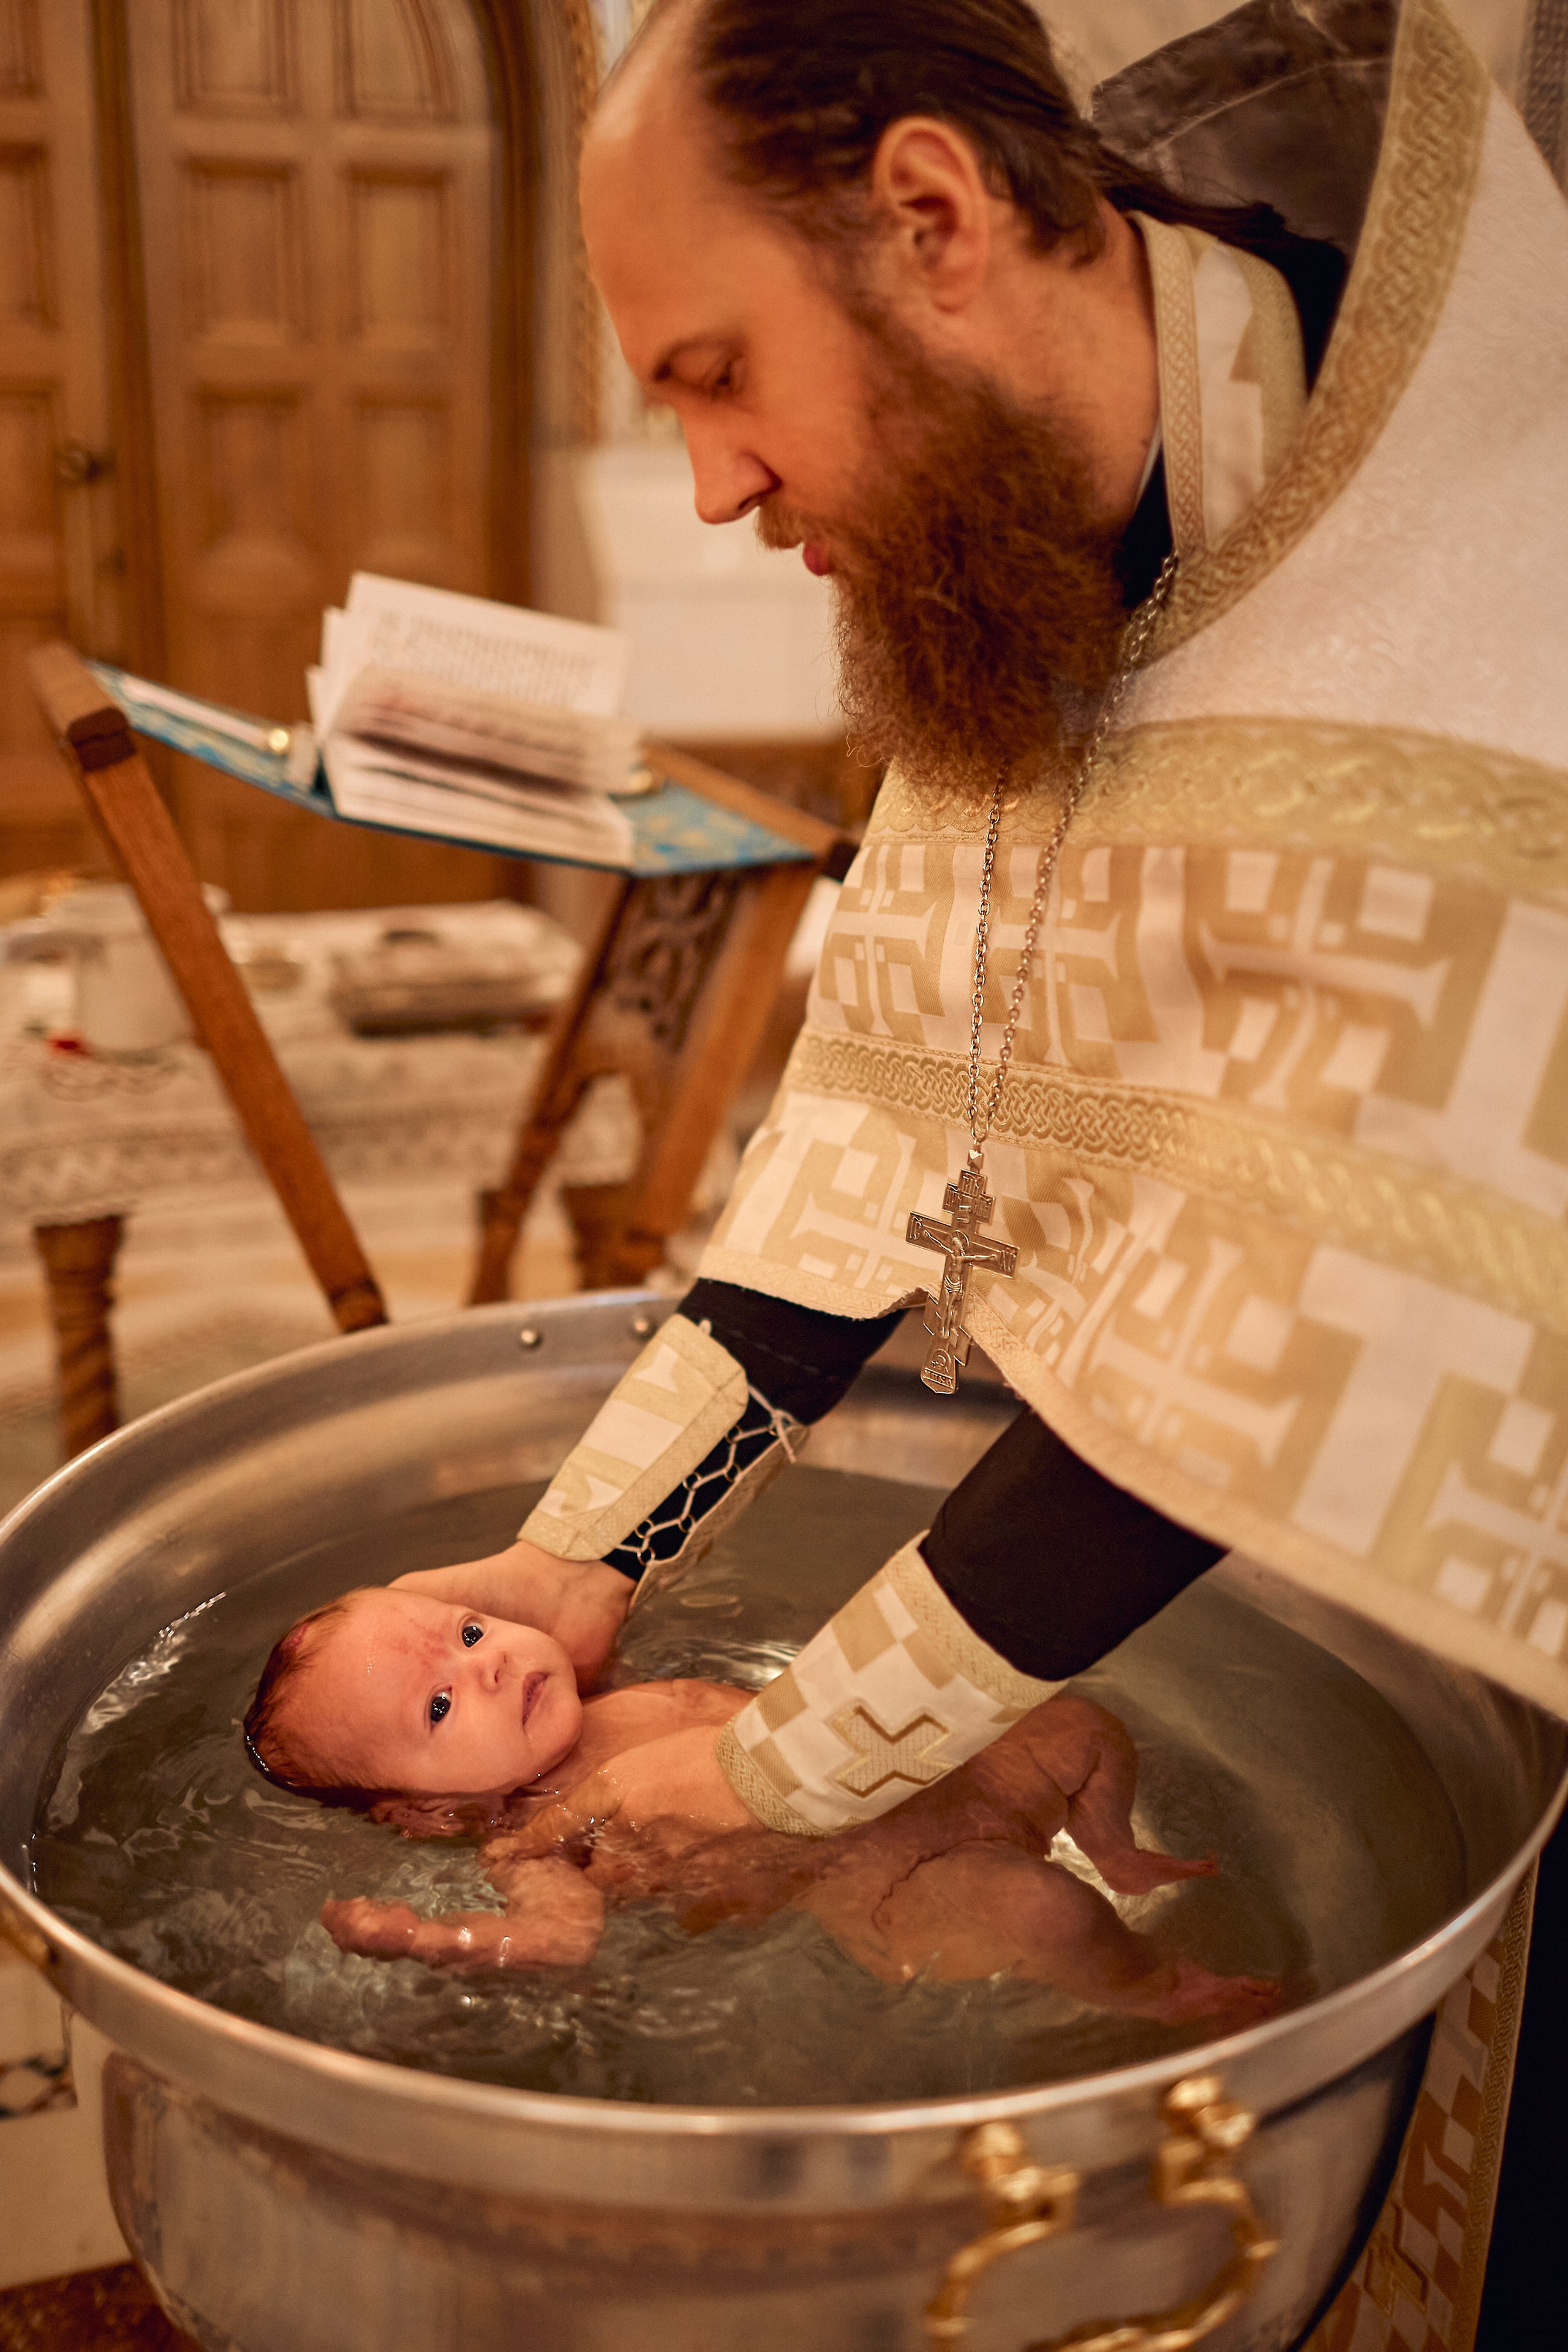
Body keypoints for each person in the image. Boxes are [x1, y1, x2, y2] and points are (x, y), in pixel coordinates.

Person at [312, 0, 1568, 1852]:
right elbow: (873, 1139)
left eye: (721, 371)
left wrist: (776, 1770)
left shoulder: (1475, 620)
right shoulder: (1025, 565)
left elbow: (1286, 1345)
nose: (712, 483)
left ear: (932, 220)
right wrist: (584, 1556)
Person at [243, 1572, 1278, 2031]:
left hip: (935, 1772)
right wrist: (428, 1939)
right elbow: (560, 1947)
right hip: (889, 1877)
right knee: (1043, 1912)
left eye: (469, 1633)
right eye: (435, 1706)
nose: (485, 1667)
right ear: (419, 1816)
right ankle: (1156, 1989)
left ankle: (1114, 1846)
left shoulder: (608, 1689)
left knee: (1074, 1721)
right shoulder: (532, 1846)